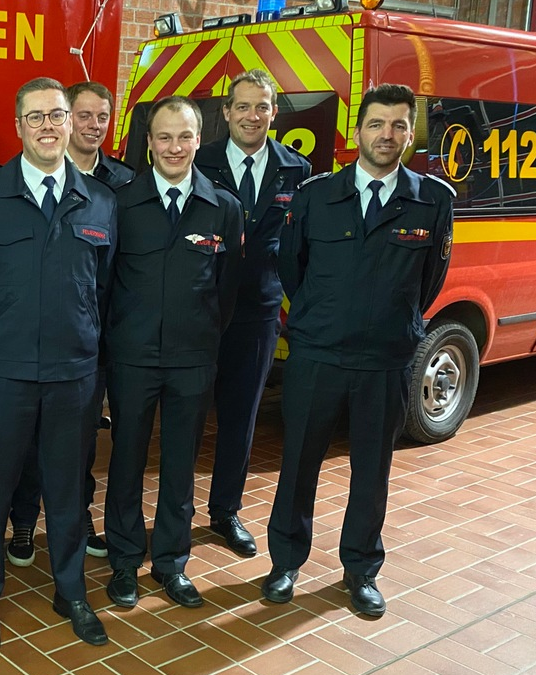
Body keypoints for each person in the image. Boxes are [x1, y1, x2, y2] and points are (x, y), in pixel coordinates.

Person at [265, 83, 453, 617]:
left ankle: (361, 569)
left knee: (372, 472)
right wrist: (323, 317)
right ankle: (285, 563)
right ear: (357, 131)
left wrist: (389, 321)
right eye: (377, 124)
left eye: (398, 125)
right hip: (317, 355)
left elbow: (429, 282)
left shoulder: (433, 200)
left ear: (411, 134)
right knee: (299, 463)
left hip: (385, 361)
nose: (387, 135)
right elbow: (292, 268)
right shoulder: (315, 196)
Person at [0, 77, 116, 653]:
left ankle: (70, 589)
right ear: (19, 125)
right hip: (0, 373)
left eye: (58, 115)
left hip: (73, 373)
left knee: (67, 489)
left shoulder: (100, 201)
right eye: (36, 117)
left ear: (72, 122)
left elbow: (102, 290)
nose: (49, 126)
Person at [103, 96, 243, 610]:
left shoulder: (223, 207)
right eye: (164, 137)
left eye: (184, 136)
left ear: (199, 139)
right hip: (132, 358)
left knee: (181, 465)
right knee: (126, 461)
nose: (174, 147)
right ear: (149, 142)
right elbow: (105, 284)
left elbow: (227, 291)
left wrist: (203, 338)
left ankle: (171, 563)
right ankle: (123, 561)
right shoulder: (120, 203)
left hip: (192, 359)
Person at [4, 80, 133, 568]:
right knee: (22, 448)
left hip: (81, 349)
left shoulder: (114, 188)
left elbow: (106, 279)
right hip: (19, 353)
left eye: (103, 116)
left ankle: (76, 523)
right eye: (82, 115)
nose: (91, 125)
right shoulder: (3, 189)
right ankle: (21, 524)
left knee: (74, 453)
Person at [193, 70, 311, 558]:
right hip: (198, 308)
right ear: (225, 113)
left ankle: (225, 511)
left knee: (241, 417)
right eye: (242, 106)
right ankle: (176, 509)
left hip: (258, 311)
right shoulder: (199, 161)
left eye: (261, 106)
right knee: (188, 414)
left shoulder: (297, 170)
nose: (251, 115)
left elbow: (302, 246)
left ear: (273, 112)